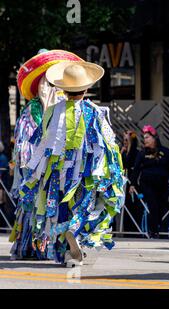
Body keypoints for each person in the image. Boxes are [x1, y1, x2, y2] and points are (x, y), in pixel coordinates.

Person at [10, 59, 126, 267]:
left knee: (60, 208)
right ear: (87, 87)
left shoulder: (52, 112)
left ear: (63, 89)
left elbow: (40, 141)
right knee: (84, 207)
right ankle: (75, 235)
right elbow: (109, 145)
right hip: (88, 173)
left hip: (56, 173)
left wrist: (35, 172)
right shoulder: (95, 112)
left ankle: (65, 250)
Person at [129, 125, 169, 239]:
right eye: (144, 137)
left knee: (161, 207)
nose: (145, 140)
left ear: (154, 138)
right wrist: (132, 184)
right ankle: (154, 231)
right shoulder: (142, 153)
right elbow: (136, 169)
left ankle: (159, 229)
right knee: (153, 205)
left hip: (162, 184)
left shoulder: (165, 152)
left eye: (147, 137)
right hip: (147, 184)